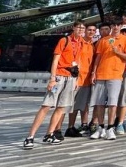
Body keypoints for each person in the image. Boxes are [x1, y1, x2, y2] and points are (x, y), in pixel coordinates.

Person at [24, 21, 91, 149]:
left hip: (71, 77)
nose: (81, 30)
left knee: (61, 107)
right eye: (79, 27)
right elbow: (55, 60)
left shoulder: (82, 43)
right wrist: (52, 78)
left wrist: (76, 79)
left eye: (83, 28)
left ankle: (49, 133)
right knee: (46, 106)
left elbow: (79, 62)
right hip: (59, 76)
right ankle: (30, 136)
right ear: (73, 28)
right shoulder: (64, 40)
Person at [88, 23, 126, 140]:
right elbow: (98, 57)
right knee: (99, 102)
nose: (116, 27)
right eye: (114, 25)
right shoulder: (104, 40)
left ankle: (110, 128)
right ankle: (101, 127)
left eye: (118, 25)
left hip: (115, 74)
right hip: (101, 74)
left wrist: (118, 52)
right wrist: (94, 72)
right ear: (112, 27)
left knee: (113, 102)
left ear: (120, 27)